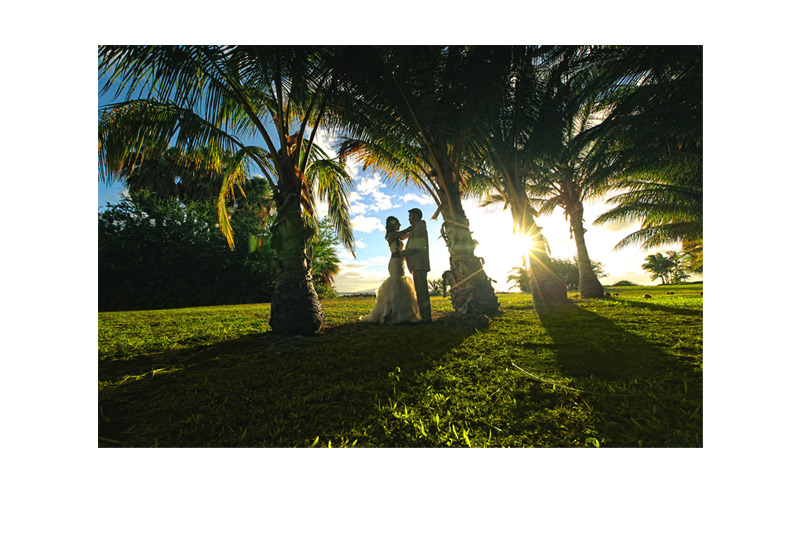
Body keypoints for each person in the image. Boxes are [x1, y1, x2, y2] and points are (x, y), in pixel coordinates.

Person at [359, 216, 421, 324]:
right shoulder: (392, 235)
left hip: (400, 262)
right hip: (395, 263)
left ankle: (402, 312)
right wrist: (414, 225)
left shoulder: (398, 237)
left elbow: (407, 234)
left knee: (400, 284)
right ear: (393, 225)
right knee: (396, 283)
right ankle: (390, 313)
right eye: (398, 223)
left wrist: (416, 230)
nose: (399, 225)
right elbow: (406, 231)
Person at [396, 208, 432, 322]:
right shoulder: (416, 227)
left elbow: (417, 245)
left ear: (416, 216)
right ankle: (425, 316)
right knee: (420, 291)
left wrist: (402, 253)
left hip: (419, 264)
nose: (409, 218)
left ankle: (426, 318)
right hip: (417, 264)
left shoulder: (420, 227)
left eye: (410, 216)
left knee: (422, 292)